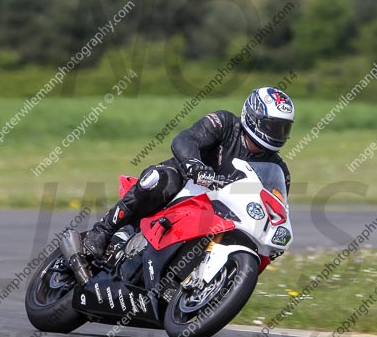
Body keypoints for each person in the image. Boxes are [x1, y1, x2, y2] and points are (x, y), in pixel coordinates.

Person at [82, 86, 294, 258]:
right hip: (188, 183)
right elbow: (185, 139)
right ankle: (102, 230)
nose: (278, 134)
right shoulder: (226, 123)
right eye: (273, 126)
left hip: (223, 213)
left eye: (284, 128)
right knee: (159, 180)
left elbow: (275, 209)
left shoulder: (278, 170)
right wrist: (194, 165)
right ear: (254, 117)